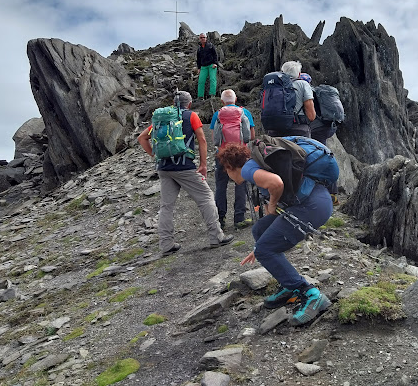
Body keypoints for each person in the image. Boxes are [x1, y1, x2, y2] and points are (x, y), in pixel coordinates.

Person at [215, 142, 333, 326]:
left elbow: (276, 183)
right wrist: (261, 245)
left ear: (230, 167)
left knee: (265, 250)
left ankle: (311, 294)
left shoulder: (248, 169)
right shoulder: (257, 166)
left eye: (226, 171)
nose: (227, 175)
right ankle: (288, 285)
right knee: (260, 230)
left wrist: (271, 206)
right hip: (316, 201)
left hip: (311, 207)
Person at [137, 91, 234, 255]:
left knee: (166, 206)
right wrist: (203, 164)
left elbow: (142, 138)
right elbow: (202, 140)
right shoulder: (191, 116)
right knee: (205, 197)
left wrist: (155, 154)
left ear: (173, 104)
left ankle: (166, 245)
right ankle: (216, 237)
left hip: (164, 168)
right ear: (189, 104)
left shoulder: (164, 118)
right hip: (184, 167)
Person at [209, 89, 256, 230]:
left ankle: (221, 219)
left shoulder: (217, 114)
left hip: (222, 154)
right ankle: (239, 218)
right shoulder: (244, 112)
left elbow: (214, 138)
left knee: (221, 186)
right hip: (241, 154)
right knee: (241, 184)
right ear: (235, 100)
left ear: (222, 101)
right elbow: (251, 136)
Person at [302, 72, 340, 205]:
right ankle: (331, 192)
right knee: (324, 154)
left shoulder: (307, 93)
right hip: (328, 127)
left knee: (319, 157)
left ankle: (329, 192)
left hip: (316, 129)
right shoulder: (319, 93)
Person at [266, 60, 315, 138]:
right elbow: (311, 115)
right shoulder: (303, 84)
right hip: (298, 129)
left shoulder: (273, 85)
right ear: (299, 74)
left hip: (275, 129)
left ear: (282, 72)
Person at [196, 33, 218, 99]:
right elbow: (198, 59)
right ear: (199, 39)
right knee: (201, 81)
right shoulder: (199, 49)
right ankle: (200, 96)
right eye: (201, 37)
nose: (202, 39)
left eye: (204, 37)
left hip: (211, 65)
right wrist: (199, 68)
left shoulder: (210, 45)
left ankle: (212, 95)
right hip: (203, 67)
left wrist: (215, 63)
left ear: (206, 38)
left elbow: (215, 54)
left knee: (212, 79)